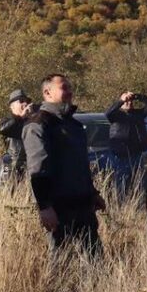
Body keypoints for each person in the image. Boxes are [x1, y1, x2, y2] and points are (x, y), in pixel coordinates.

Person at [23, 74, 106, 256]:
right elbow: (38, 170)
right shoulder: (39, 125)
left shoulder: (74, 125)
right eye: (64, 88)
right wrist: (45, 207)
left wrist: (93, 193)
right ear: (47, 92)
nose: (69, 92)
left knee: (96, 262)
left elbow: (80, 166)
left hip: (83, 206)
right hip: (59, 209)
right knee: (61, 264)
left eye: (70, 87)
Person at [104, 90, 147, 194]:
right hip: (121, 156)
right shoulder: (116, 115)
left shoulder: (138, 114)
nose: (129, 103)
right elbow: (108, 113)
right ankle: (121, 206)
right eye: (127, 101)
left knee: (138, 185)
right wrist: (121, 100)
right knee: (121, 186)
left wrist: (137, 96)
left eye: (131, 101)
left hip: (136, 155)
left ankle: (136, 206)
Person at [0, 89, 36, 184]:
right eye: (21, 101)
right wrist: (20, 117)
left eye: (26, 101)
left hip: (32, 165)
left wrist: (33, 117)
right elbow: (3, 129)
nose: (25, 103)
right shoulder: (8, 120)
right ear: (12, 106)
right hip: (15, 166)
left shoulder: (31, 120)